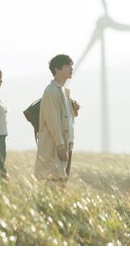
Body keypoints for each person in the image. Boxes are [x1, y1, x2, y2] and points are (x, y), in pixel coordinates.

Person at [34, 54, 81, 184]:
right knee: (54, 182)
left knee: (60, 183)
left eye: (71, 66)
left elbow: (65, 118)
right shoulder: (51, 91)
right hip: (55, 146)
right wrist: (60, 146)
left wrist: (74, 109)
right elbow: (53, 121)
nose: (71, 69)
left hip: (66, 144)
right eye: (67, 66)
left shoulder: (64, 91)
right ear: (57, 69)